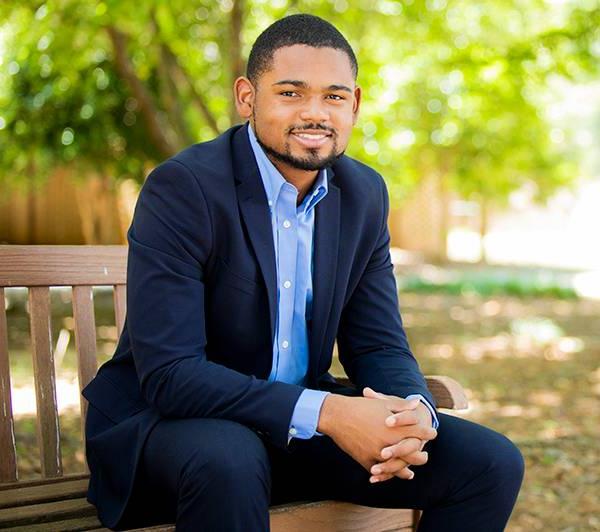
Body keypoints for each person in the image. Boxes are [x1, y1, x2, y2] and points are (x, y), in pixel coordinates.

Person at [82, 13, 524, 532]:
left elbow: (378, 345)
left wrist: (411, 415)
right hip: (172, 430)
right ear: (247, 97)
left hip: (292, 433)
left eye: (333, 97)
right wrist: (331, 414)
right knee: (230, 457)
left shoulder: (362, 195)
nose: (314, 113)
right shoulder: (184, 189)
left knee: (490, 464)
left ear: (354, 104)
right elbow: (171, 374)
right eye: (291, 93)